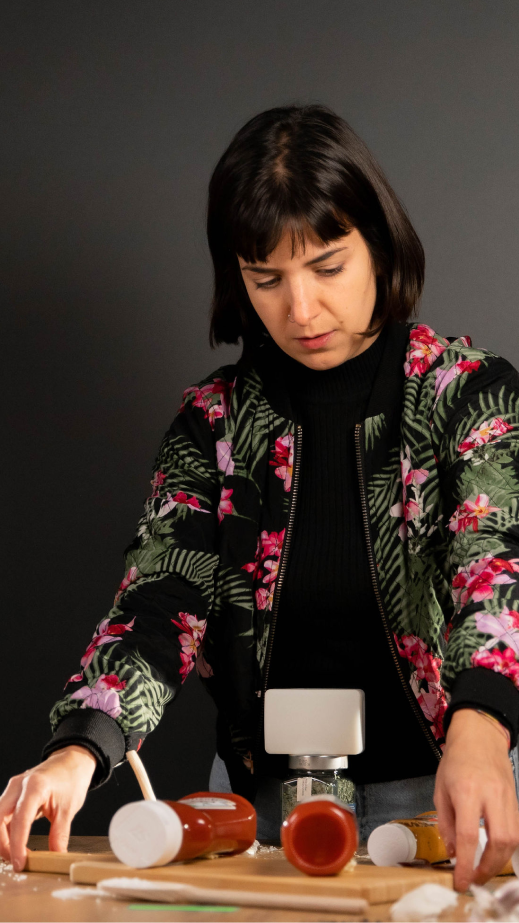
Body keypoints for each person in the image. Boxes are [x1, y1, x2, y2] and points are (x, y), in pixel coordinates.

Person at [2, 104, 519, 891]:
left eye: (327, 266)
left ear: (378, 245)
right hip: (256, 817)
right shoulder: (210, 425)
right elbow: (160, 602)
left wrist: (479, 734)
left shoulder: (466, 395)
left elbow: (495, 570)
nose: (299, 310)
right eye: (266, 278)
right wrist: (79, 746)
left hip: (450, 796)